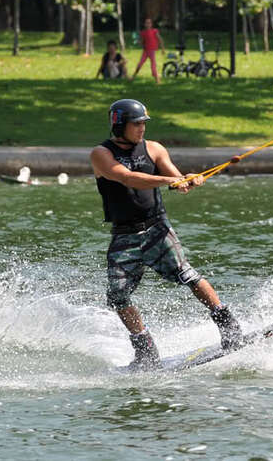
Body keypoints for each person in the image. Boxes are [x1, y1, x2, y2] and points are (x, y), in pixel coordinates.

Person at [90, 99, 243, 370]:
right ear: (119, 125)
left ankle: (228, 326)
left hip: (157, 229)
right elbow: (127, 178)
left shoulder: (154, 149)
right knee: (117, 297)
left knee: (187, 275)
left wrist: (188, 180)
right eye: (136, 124)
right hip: (124, 236)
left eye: (144, 124)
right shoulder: (102, 154)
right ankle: (145, 349)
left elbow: (177, 180)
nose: (142, 129)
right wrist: (169, 181)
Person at [130, 18, 165, 84]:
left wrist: (163, 49)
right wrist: (138, 42)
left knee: (153, 67)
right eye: (146, 23)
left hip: (152, 51)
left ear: (151, 24)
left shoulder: (154, 31)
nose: (148, 24)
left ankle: (158, 80)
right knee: (139, 64)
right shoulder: (143, 32)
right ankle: (132, 77)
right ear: (144, 24)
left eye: (149, 23)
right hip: (145, 51)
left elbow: (160, 39)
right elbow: (142, 42)